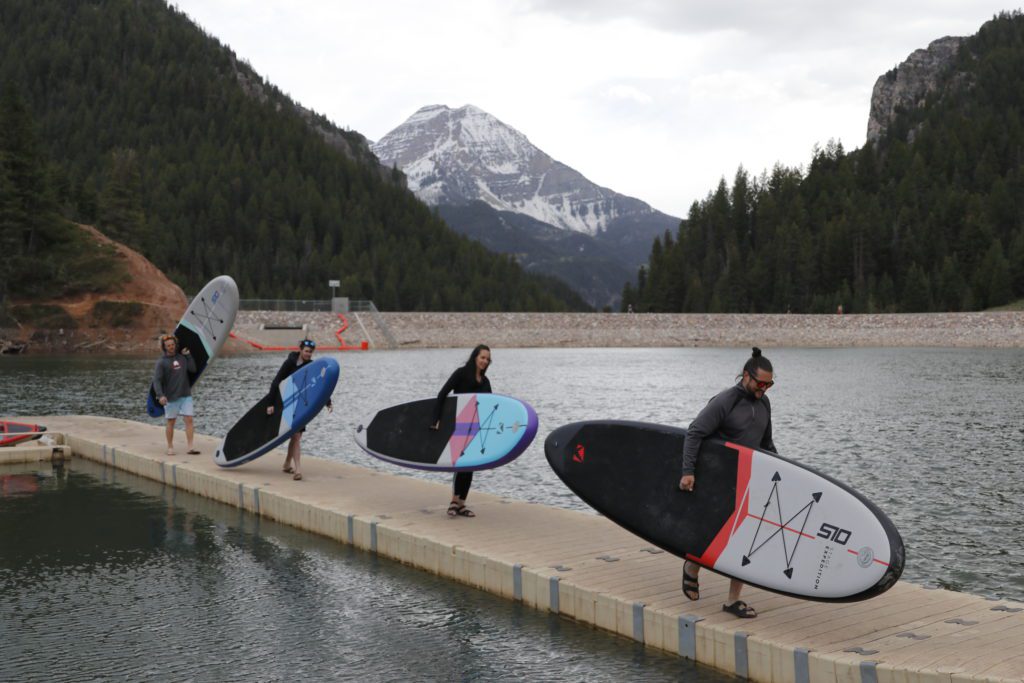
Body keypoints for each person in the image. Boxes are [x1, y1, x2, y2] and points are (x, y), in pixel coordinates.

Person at [678, 347, 777, 619]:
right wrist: (688, 471)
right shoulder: (726, 401)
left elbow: (766, 444)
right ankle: (692, 568)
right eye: (760, 383)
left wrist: (781, 472)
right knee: (714, 534)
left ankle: (734, 600)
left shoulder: (764, 404)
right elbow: (695, 432)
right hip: (720, 479)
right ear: (746, 376)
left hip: (749, 480)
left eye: (769, 384)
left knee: (745, 539)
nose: (764, 389)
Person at [430, 344, 491, 518]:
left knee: (470, 467)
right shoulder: (461, 374)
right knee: (461, 465)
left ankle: (462, 504)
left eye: (487, 359)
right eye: (482, 357)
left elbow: (491, 404)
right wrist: (436, 419)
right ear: (475, 357)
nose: (485, 361)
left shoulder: (485, 382)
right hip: (460, 426)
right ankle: (454, 501)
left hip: (476, 427)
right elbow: (442, 394)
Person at [265, 338, 332, 481]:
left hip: (301, 404)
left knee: (296, 437)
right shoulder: (290, 362)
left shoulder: (311, 366)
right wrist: (270, 403)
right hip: (287, 402)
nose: (309, 354)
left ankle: (287, 464)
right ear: (300, 350)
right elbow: (276, 382)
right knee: (295, 436)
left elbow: (318, 385)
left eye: (311, 352)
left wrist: (328, 402)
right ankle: (298, 470)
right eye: (307, 351)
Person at [152, 334, 198, 456]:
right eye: (168, 346)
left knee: (189, 419)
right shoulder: (161, 362)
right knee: (171, 422)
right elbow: (156, 380)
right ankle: (170, 447)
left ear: (175, 345)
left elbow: (193, 370)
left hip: (185, 395)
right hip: (171, 397)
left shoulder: (182, 358)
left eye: (172, 345)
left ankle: (190, 447)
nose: (171, 347)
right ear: (164, 347)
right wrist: (160, 395)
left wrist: (188, 355)